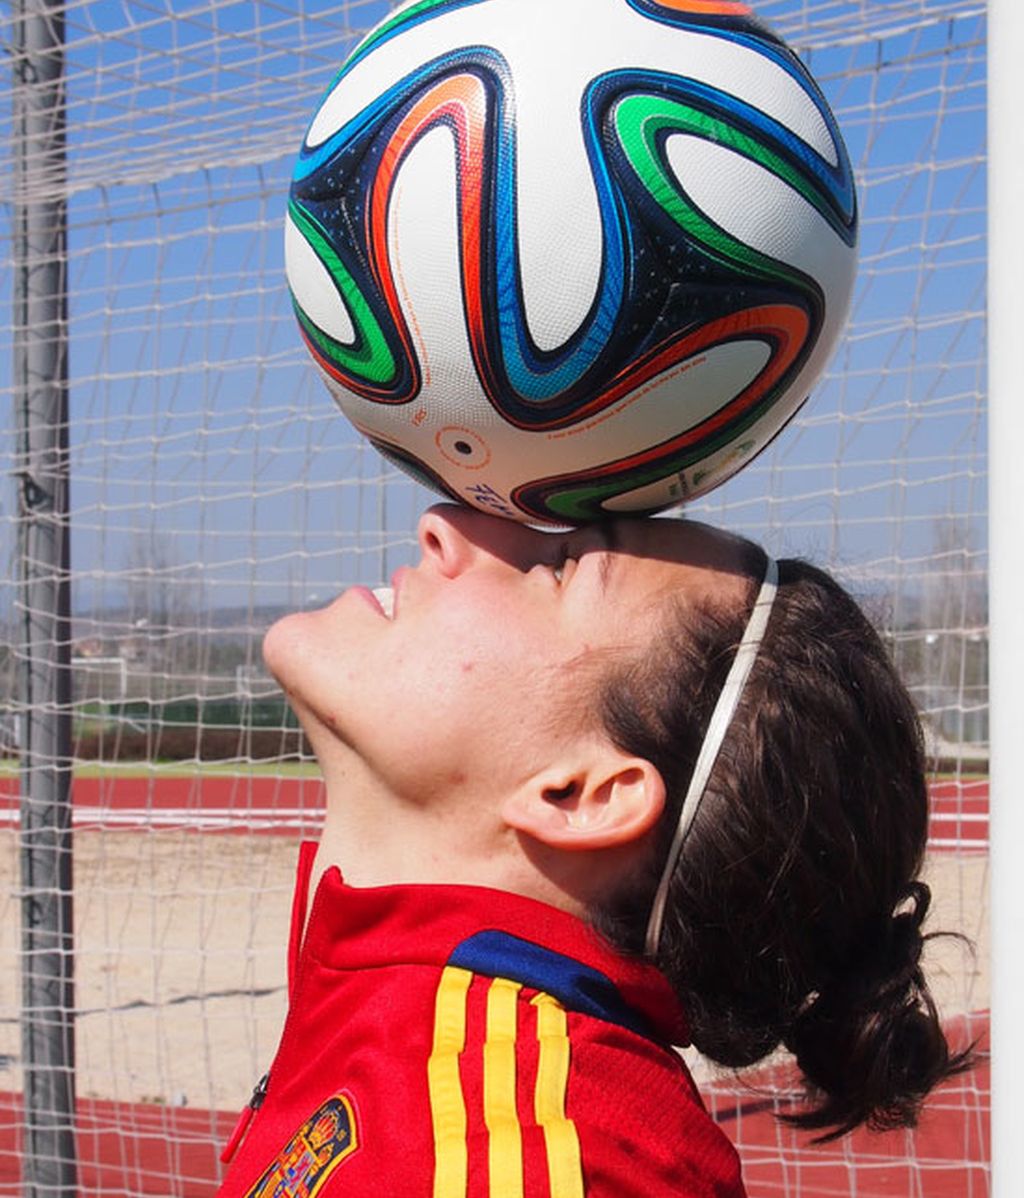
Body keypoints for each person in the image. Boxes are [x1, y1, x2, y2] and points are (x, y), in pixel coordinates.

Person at [215, 503, 966, 1198]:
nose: (444, 525)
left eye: (559, 566)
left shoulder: (513, 1157)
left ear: (583, 795)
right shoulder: (406, 1032)